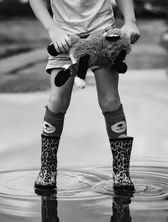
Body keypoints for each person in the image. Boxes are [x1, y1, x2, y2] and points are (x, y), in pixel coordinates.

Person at [30, 0, 140, 192]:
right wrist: (52, 28)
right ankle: (48, 169)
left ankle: (121, 172)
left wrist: (130, 20)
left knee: (110, 100)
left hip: (104, 38)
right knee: (57, 101)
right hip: (65, 38)